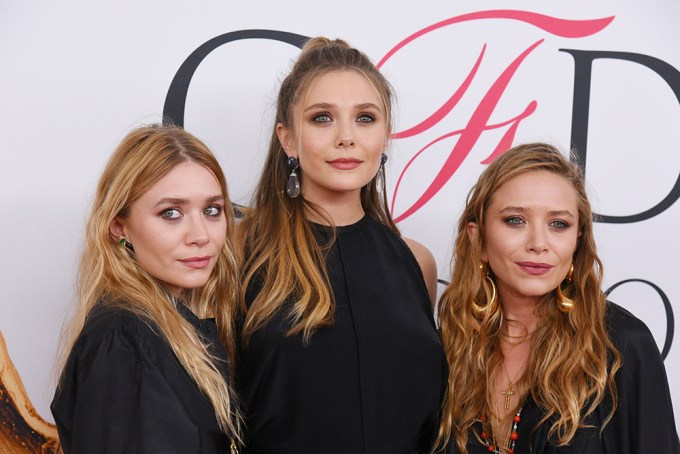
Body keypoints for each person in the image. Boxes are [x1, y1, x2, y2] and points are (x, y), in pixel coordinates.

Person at [236, 37, 446, 453]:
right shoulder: (239, 249)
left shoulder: (415, 262)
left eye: (365, 118)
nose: (347, 137)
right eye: (322, 118)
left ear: (386, 136)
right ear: (288, 138)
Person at [435, 142, 680, 453]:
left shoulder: (621, 346)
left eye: (558, 224)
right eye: (515, 220)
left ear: (577, 241)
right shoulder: (453, 343)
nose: (539, 243)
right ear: (478, 238)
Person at [51, 124, 241, 453]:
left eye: (212, 210)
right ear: (119, 226)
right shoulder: (127, 341)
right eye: (171, 213)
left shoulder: (167, 327)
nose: (200, 235)